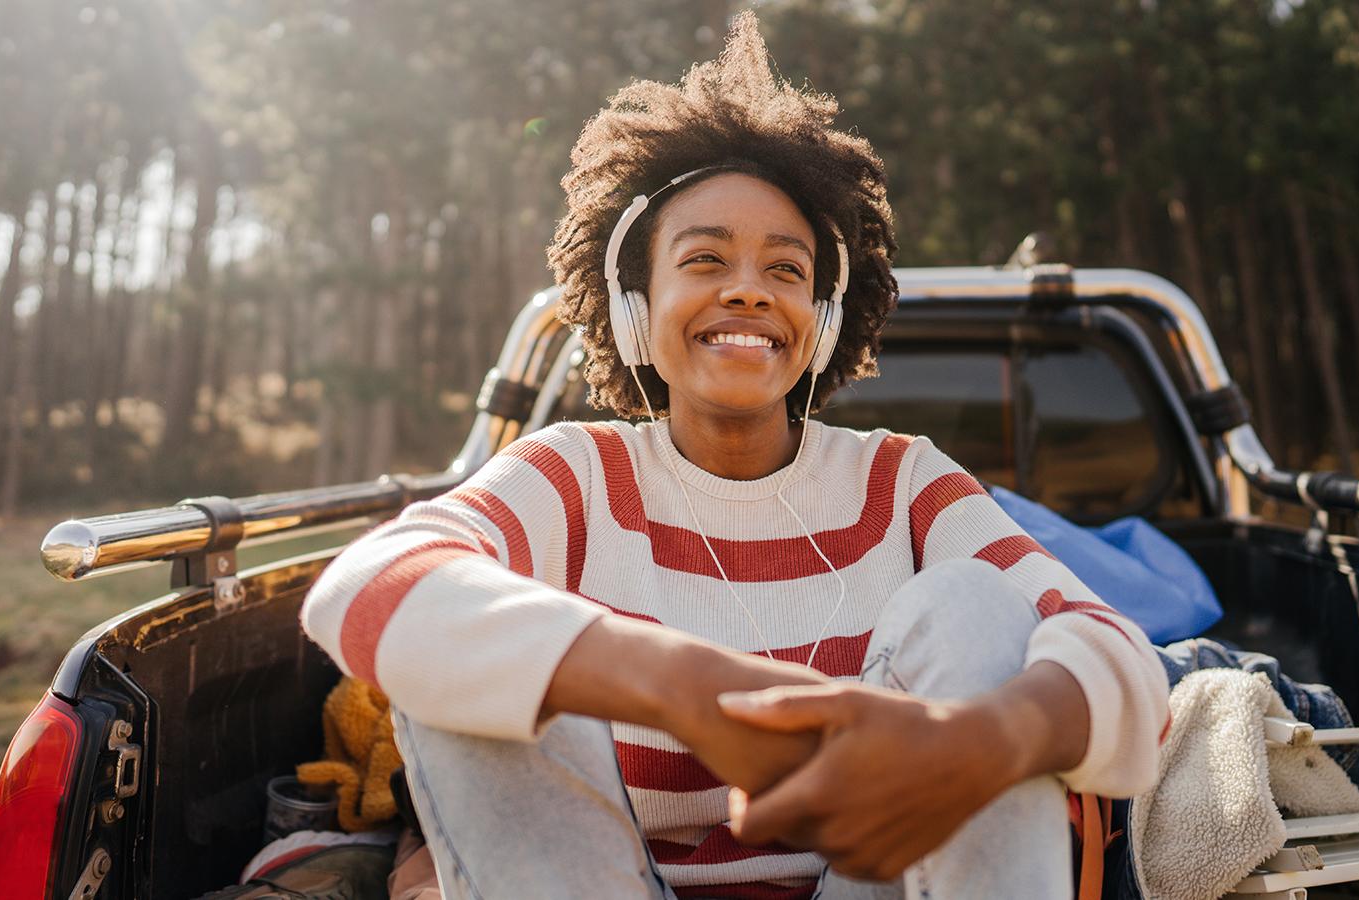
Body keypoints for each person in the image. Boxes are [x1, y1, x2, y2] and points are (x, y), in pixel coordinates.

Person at [301, 13, 1169, 899]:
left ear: (824, 324)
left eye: (787, 271)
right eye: (706, 258)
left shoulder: (902, 481)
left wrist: (992, 740)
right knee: (482, 643)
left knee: (974, 603)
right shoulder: (571, 476)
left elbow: (1121, 654)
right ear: (637, 307)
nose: (748, 288)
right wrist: (688, 686)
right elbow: (364, 584)